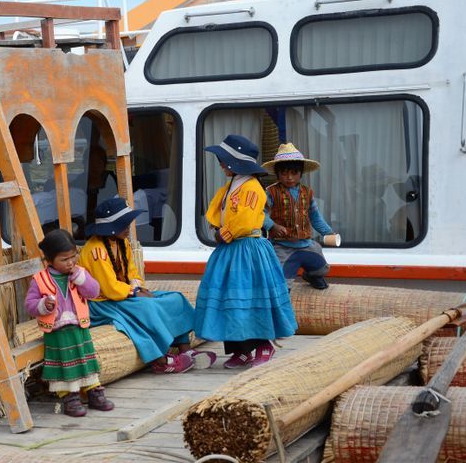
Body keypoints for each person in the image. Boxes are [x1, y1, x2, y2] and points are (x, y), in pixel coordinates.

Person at [194, 134, 297, 368]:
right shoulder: (233, 184)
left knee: (248, 298)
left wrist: (224, 233)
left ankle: (263, 345)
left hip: (247, 250)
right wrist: (219, 229)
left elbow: (245, 219)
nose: (220, 164)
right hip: (232, 250)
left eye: (222, 160)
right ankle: (240, 350)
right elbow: (221, 211)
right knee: (229, 299)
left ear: (234, 162)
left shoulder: (252, 188)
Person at [79, 197, 214, 374]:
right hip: (102, 303)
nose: (129, 228)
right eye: (125, 224)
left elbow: (132, 272)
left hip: (125, 295)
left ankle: (184, 348)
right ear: (112, 227)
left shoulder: (122, 242)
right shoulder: (96, 251)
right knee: (147, 308)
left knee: (175, 298)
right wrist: (135, 292)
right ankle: (161, 360)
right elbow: (110, 289)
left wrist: (138, 287)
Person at [25, 229, 114, 417]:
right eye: (64, 259)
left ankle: (93, 390)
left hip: (79, 328)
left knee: (86, 360)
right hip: (57, 332)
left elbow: (93, 292)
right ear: (49, 261)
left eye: (73, 257)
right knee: (64, 364)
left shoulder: (79, 273)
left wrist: (80, 279)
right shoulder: (40, 280)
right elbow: (30, 305)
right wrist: (43, 305)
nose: (71, 262)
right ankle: (69, 396)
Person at [262, 143, 336, 290]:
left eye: (294, 173)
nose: (289, 177)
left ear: (301, 173)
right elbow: (258, 213)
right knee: (281, 283)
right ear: (277, 174)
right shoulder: (270, 192)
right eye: (284, 173)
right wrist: (272, 226)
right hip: (281, 246)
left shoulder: (307, 192)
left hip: (307, 244)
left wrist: (328, 232)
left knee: (322, 268)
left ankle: (312, 276)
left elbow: (315, 216)